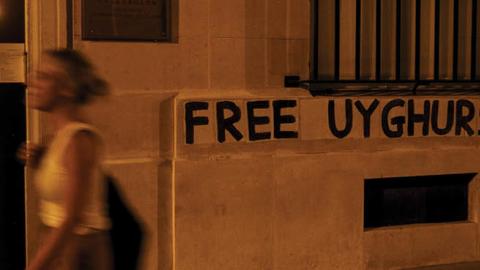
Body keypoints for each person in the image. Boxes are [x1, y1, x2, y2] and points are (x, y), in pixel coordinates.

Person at [18, 49, 112, 270]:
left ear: (67, 90)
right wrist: (42, 162)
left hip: (78, 251)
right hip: (62, 246)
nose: (30, 80)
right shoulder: (57, 137)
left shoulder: (78, 140)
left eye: (43, 76)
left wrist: (36, 266)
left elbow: (72, 218)